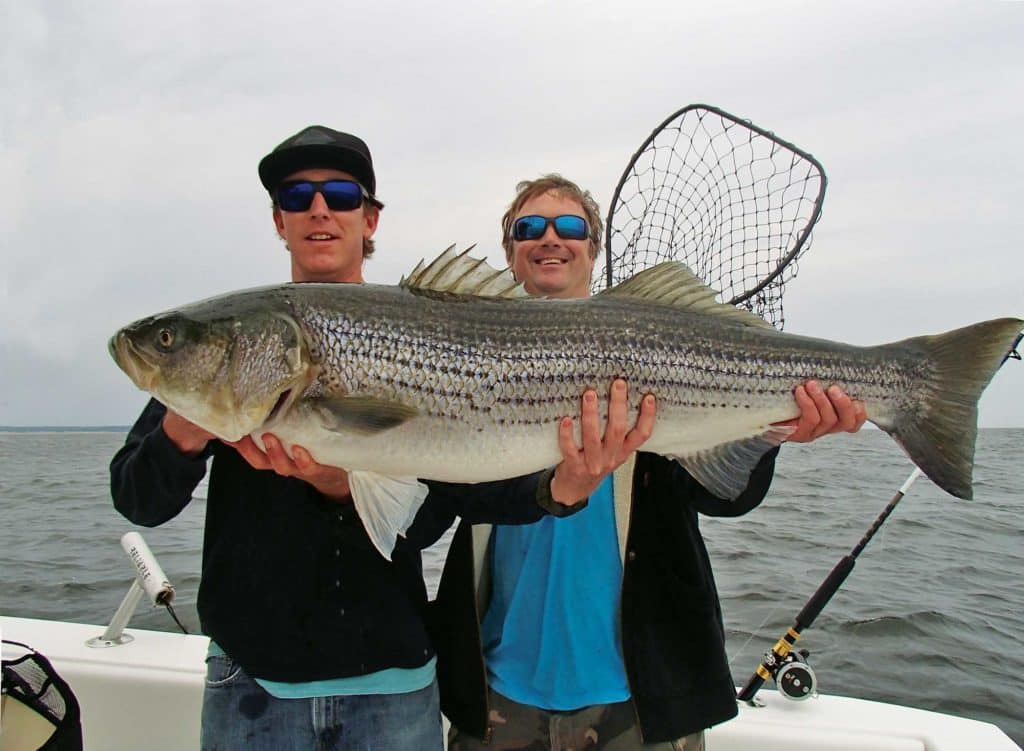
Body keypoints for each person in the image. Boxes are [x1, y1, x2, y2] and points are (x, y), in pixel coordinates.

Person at [110, 137, 654, 751]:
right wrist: (187, 424)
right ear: (278, 222)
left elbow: (432, 517)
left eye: (340, 195)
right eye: (297, 196)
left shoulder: (423, 321)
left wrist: (339, 482)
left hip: (391, 684)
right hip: (253, 680)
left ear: (368, 219)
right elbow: (137, 500)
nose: (319, 209)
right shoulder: (240, 346)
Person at [434, 174, 868, 750]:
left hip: (640, 695)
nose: (550, 239)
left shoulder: (649, 351)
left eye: (570, 227)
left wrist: (773, 432)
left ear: (594, 247)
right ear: (510, 253)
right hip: (499, 689)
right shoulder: (461, 356)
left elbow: (725, 496)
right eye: (528, 228)